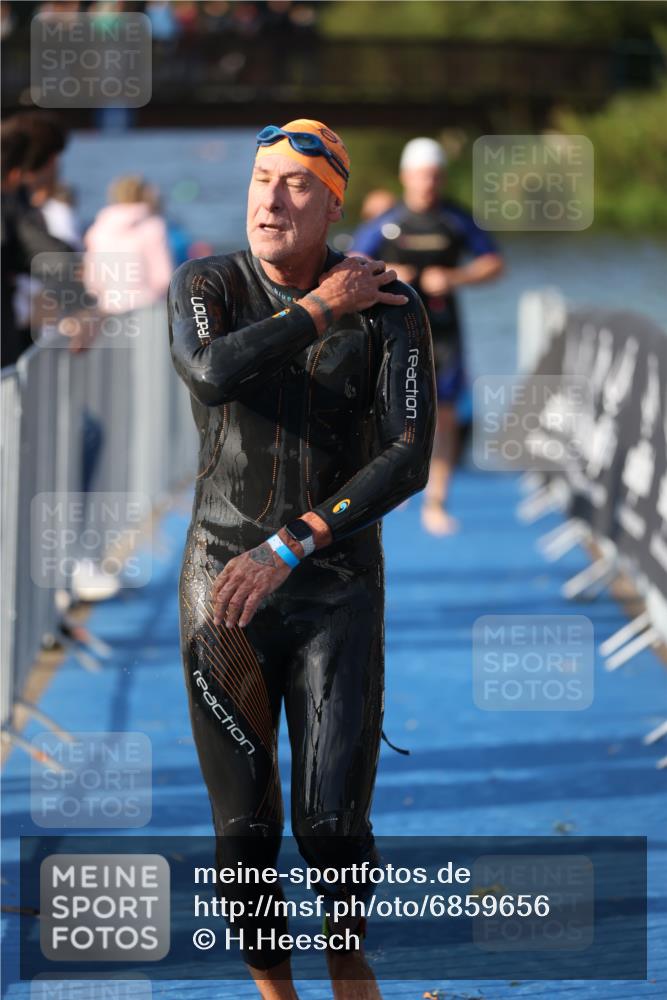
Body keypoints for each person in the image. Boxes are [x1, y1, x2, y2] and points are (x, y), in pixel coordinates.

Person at [168, 118, 436, 999]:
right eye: (259, 181)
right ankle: (275, 995)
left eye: (292, 186)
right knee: (244, 831)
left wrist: (294, 542)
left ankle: (348, 967)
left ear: (332, 203)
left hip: (334, 587)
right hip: (222, 585)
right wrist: (320, 310)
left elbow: (407, 456)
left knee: (329, 824)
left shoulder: (390, 302)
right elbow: (210, 372)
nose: (269, 201)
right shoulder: (208, 282)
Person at [352, 137, 504, 535]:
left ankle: (436, 501)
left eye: (435, 176)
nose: (428, 184)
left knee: (448, 414)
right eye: (421, 176)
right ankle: (392, 486)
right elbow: (353, 258)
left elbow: (493, 263)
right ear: (406, 177)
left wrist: (454, 277)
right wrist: (391, 270)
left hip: (445, 328)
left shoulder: (456, 219)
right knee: (386, 406)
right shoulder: (388, 221)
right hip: (395, 327)